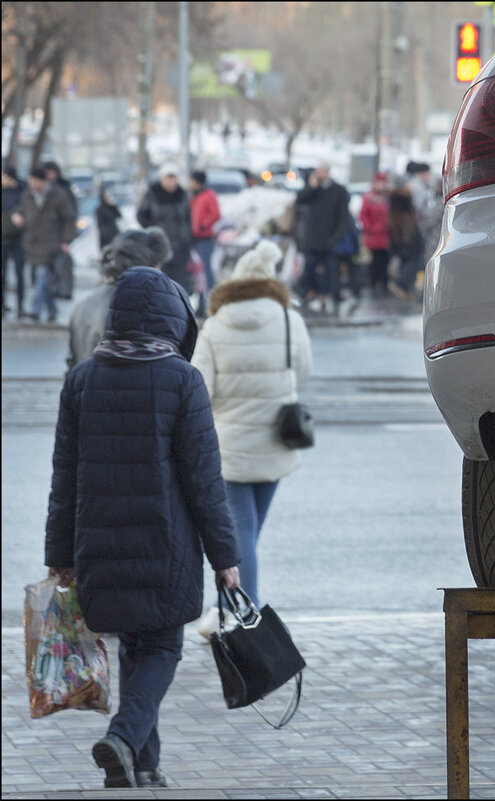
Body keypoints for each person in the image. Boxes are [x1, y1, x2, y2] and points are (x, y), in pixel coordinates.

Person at [44, 265, 241, 789]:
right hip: (165, 547)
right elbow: (205, 481)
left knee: (136, 646)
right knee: (161, 647)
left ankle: (142, 765)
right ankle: (126, 739)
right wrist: (226, 558)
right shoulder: (181, 380)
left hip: (98, 547)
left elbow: (64, 478)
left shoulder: (82, 380)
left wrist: (58, 554)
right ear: (175, 321)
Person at [191, 239, 311, 637]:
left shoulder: (215, 325)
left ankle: (246, 615)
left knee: (241, 533)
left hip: (230, 447)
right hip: (276, 440)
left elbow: (198, 389)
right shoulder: (289, 318)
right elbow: (303, 371)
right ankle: (227, 608)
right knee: (248, 532)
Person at [67, 227, 172, 370]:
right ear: (146, 266)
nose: (160, 272)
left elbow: (72, 365)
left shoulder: (83, 306)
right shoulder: (134, 308)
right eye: (157, 266)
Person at [11, 166, 77, 324]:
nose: (31, 184)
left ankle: (35, 310)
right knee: (42, 280)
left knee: (42, 276)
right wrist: (17, 216)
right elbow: (21, 209)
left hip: (51, 244)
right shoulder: (28, 195)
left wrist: (66, 241)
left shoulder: (57, 195)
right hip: (32, 243)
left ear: (41, 181)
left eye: (33, 181)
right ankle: (52, 310)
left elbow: (68, 219)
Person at [294, 163, 349, 314]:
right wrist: (312, 186)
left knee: (330, 270)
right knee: (310, 266)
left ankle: (325, 295)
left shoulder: (338, 190)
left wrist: (337, 236)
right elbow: (299, 200)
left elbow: (343, 216)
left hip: (330, 237)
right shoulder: (313, 189)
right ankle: (312, 292)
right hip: (312, 237)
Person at [136, 162, 193, 295]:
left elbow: (188, 219)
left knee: (180, 284)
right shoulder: (152, 194)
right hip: (159, 247)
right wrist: (153, 233)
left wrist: (188, 239)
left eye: (174, 178)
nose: (171, 182)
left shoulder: (182, 195)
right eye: (168, 178)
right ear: (162, 179)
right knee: (161, 283)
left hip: (180, 248)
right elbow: (141, 216)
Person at [188, 170, 221, 319]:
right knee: (198, 273)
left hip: (205, 238)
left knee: (206, 272)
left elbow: (215, 214)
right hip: (194, 239)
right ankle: (201, 304)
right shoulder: (193, 197)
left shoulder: (208, 196)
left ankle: (211, 302)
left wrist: (202, 225)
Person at [387, 182, 423, 301]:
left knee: (405, 259)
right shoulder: (405, 201)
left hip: (398, 232)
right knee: (413, 259)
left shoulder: (393, 201)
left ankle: (404, 288)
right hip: (406, 232)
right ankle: (400, 284)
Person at [359, 171, 391, 297]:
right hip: (374, 235)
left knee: (385, 261)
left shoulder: (387, 198)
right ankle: (373, 283)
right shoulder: (369, 197)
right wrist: (369, 228)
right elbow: (363, 215)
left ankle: (383, 283)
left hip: (386, 236)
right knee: (375, 261)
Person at [2, 165, 27, 318]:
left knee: (20, 274)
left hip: (19, 239)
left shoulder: (23, 192)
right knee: (2, 274)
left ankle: (20, 304)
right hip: (3, 239)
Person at [95, 187, 122, 251]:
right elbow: (100, 226)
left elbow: (119, 216)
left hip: (115, 234)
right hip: (106, 238)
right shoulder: (100, 210)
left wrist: (113, 206)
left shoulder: (111, 207)